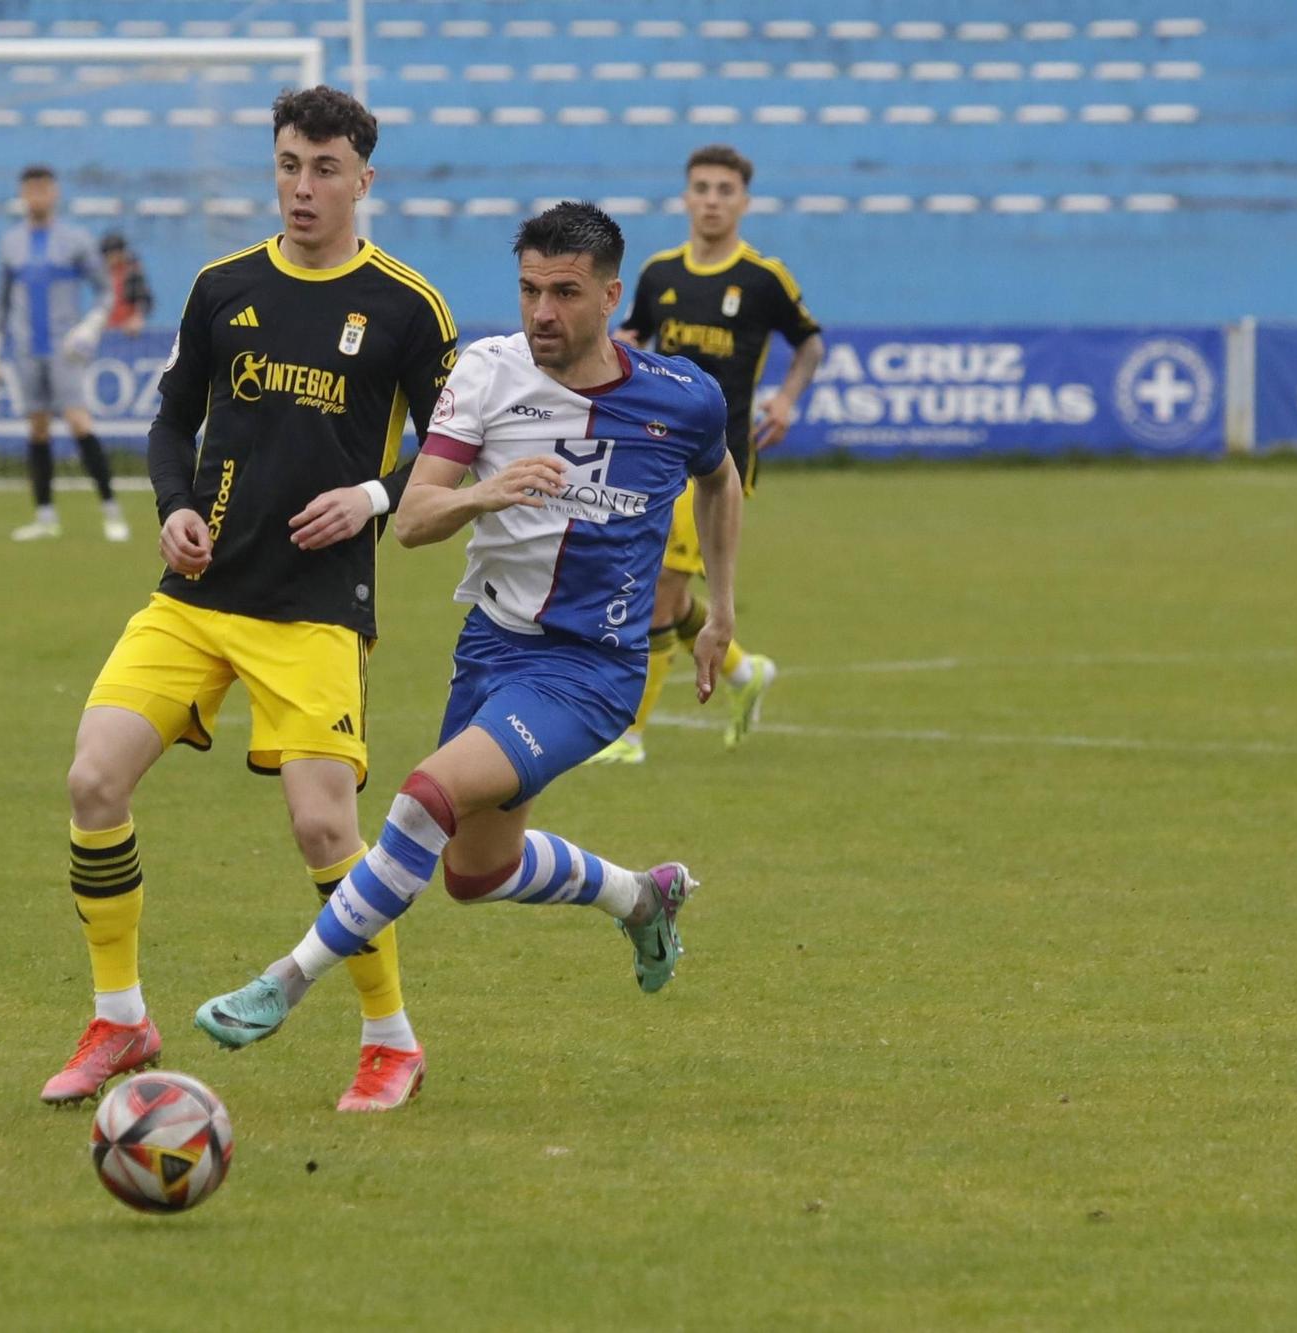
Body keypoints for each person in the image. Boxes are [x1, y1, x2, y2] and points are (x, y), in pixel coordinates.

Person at [192, 202, 743, 1056]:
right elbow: (411, 521)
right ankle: (641, 897)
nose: (542, 313)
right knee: (475, 871)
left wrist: (723, 610)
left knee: (425, 798)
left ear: (610, 295)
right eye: (528, 290)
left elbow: (720, 480)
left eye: (564, 292)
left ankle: (283, 981)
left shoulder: (681, 398)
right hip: (491, 646)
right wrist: (486, 491)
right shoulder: (487, 373)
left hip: (591, 669)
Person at [41, 86, 458, 1113]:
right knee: (93, 780)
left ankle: (388, 1038)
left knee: (324, 828)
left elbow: (456, 456)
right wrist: (173, 506)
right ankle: (119, 1017)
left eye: (323, 169)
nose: (301, 188)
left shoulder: (407, 307)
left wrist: (368, 494)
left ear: (364, 178)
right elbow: (170, 419)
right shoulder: (222, 287)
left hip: (316, 605)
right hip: (194, 594)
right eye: (286, 165)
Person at [589, 143, 823, 762]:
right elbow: (633, 334)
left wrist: (787, 400)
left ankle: (629, 735)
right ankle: (747, 674)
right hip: (655, 455)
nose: (712, 199)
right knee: (666, 587)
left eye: (725, 189)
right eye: (702, 188)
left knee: (662, 587)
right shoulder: (660, 274)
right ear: (687, 197)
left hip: (719, 461)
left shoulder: (763, 279)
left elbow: (810, 342)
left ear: (743, 201)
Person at [0, 165, 130, 544]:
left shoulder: (76, 240)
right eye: (30, 190)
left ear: (55, 193)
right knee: (38, 429)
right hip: (27, 348)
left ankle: (111, 510)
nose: (36, 197)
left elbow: (104, 291)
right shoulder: (11, 242)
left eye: (43, 190)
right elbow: (1, 300)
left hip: (65, 349)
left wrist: (90, 326)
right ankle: (45, 516)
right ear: (22, 194)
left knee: (80, 422)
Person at [97, 232, 153, 336]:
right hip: (108, 330)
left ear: (120, 253)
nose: (109, 259)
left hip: (127, 331)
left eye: (111, 255)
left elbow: (144, 300)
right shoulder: (103, 274)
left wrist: (137, 318)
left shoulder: (132, 272)